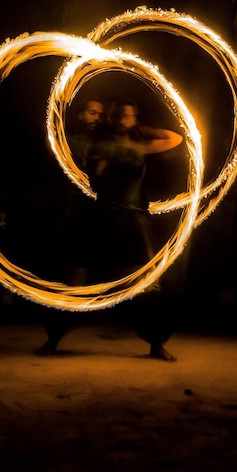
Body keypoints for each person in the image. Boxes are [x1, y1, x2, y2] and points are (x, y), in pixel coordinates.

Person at [87, 97, 184, 361]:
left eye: (127, 117)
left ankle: (156, 344)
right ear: (111, 117)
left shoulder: (139, 144)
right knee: (76, 279)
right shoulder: (101, 144)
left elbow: (174, 138)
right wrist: (104, 163)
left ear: (134, 119)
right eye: (117, 116)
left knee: (149, 285)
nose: (121, 121)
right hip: (106, 217)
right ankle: (53, 339)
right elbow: (94, 183)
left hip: (135, 221)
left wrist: (141, 132)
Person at [33, 96, 105, 356]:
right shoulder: (69, 143)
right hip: (78, 219)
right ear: (79, 115)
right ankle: (53, 339)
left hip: (103, 218)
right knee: (70, 280)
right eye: (92, 112)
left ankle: (155, 341)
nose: (96, 117)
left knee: (136, 277)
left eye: (100, 114)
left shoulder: (106, 144)